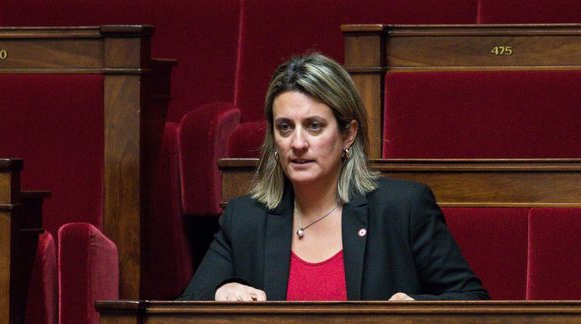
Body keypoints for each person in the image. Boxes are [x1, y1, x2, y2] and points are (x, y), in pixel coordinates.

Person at [178, 52, 489, 301]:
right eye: (285, 127)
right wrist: (220, 292)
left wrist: (414, 311)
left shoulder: (403, 208)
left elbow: (473, 300)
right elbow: (183, 311)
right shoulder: (245, 218)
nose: (298, 143)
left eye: (314, 126)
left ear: (348, 134)